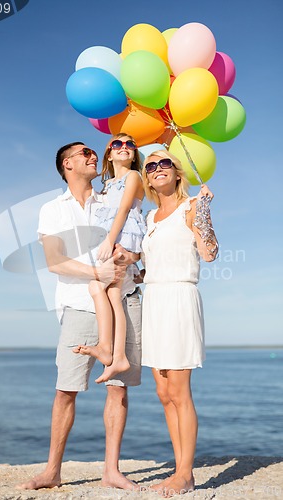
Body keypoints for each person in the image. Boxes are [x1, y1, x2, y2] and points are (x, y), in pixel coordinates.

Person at [17, 142, 142, 491]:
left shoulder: (113, 196)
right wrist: (95, 274)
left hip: (125, 296)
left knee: (118, 388)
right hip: (78, 303)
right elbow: (54, 261)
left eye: (93, 152)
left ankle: (111, 471)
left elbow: (137, 241)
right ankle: (52, 471)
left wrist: (128, 258)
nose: (93, 155)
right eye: (83, 153)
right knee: (66, 389)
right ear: (66, 165)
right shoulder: (52, 209)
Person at [140, 150, 218, 496]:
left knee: (179, 391)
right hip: (152, 299)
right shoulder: (149, 217)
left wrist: (203, 211)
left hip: (179, 298)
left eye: (164, 163)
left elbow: (209, 253)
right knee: (162, 391)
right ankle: (178, 467)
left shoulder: (192, 207)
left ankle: (185, 474)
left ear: (176, 172)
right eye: (151, 165)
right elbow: (149, 266)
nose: (157, 168)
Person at [74, 133, 145, 384]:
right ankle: (119, 356)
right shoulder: (108, 184)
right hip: (113, 238)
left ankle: (106, 347)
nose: (124, 148)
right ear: (109, 153)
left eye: (129, 144)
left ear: (134, 153)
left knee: (96, 286)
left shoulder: (134, 176)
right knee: (113, 294)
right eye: (117, 144)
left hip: (122, 239)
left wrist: (108, 240)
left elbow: (124, 210)